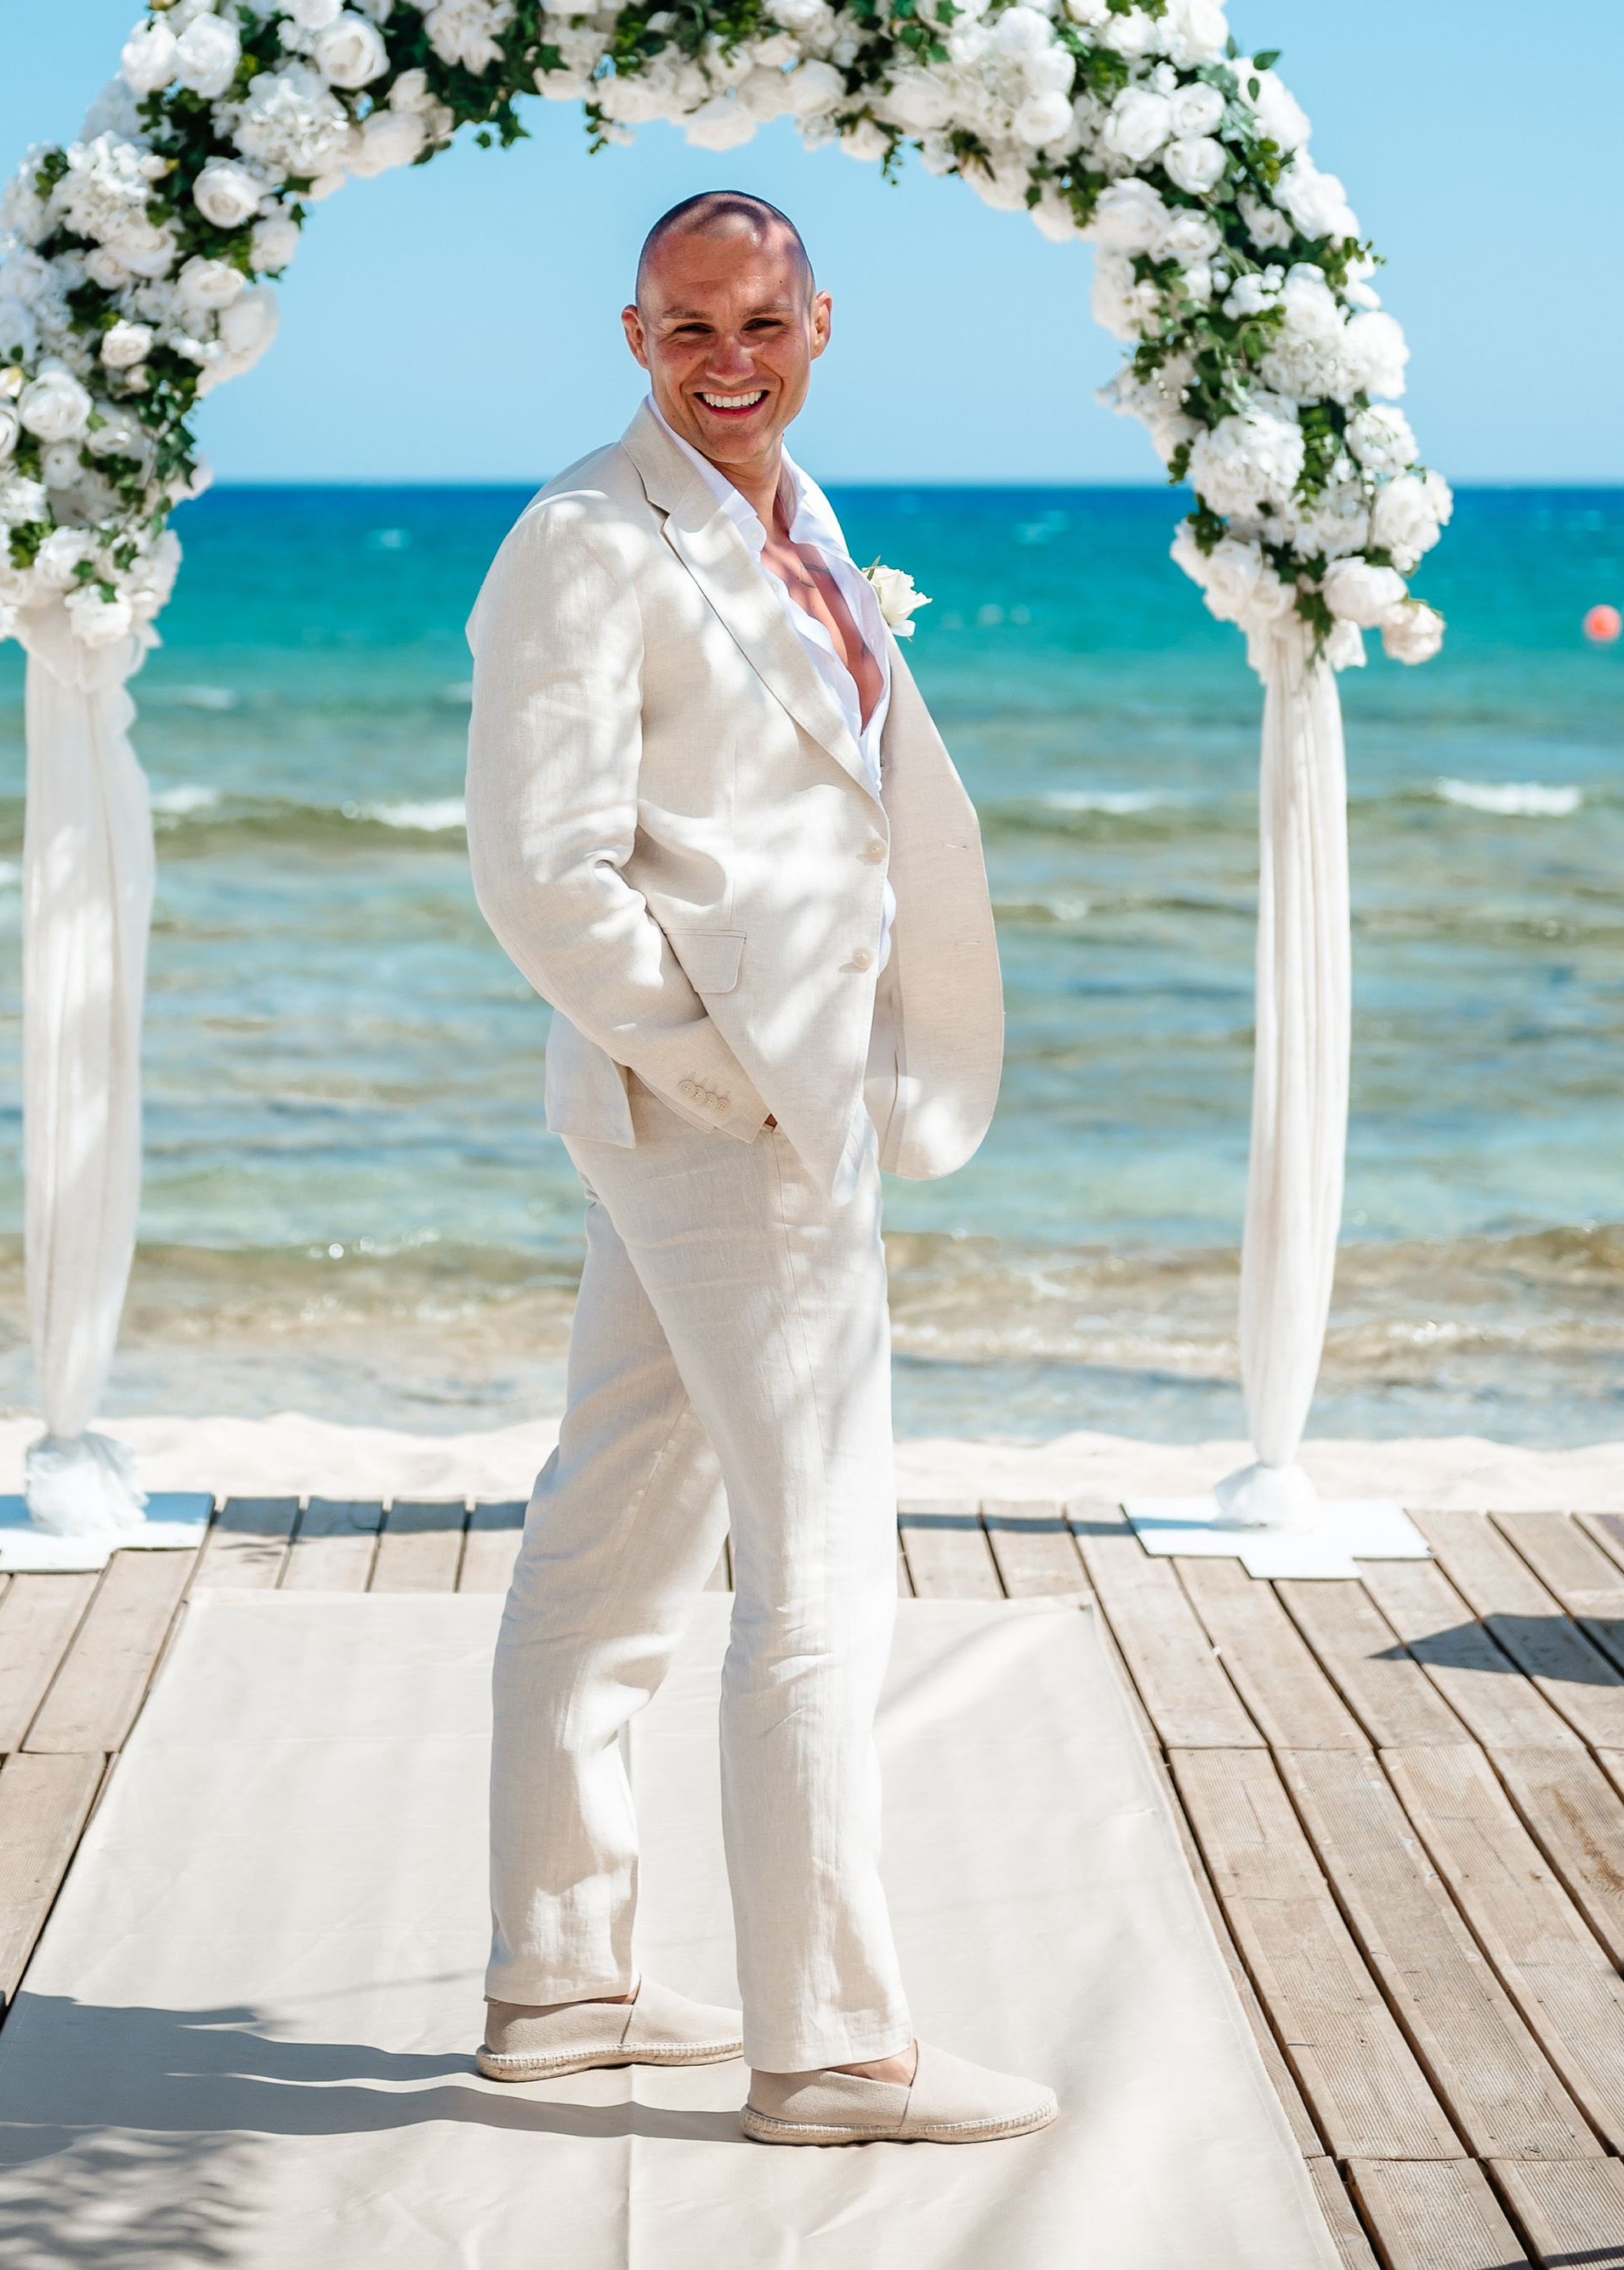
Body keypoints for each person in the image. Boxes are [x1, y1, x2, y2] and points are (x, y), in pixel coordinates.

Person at [462, 189, 1058, 2148]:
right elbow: (541, 872)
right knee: (814, 1580)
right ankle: (829, 2049)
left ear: (819, 320)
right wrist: (726, 1066)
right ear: (629, 333)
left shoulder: (793, 513)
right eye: (684, 329)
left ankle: (557, 1987)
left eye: (760, 322)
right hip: (727, 1112)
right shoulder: (575, 538)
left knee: (613, 1531)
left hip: (773, 1097)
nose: (726, 361)